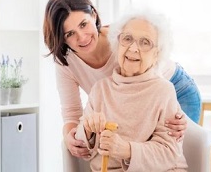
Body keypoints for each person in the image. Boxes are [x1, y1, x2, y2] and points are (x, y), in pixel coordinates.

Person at [43, 0, 200, 165]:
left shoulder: (123, 40)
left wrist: (177, 115)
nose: (82, 37)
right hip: (137, 98)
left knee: (170, 157)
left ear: (93, 15)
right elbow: (72, 113)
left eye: (83, 24)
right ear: (61, 39)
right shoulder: (70, 65)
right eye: (69, 34)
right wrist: (74, 136)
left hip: (173, 85)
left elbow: (152, 88)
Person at [75, 9, 188, 171]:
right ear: (117, 44)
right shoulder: (100, 89)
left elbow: (168, 153)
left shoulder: (163, 91)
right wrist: (87, 128)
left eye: (145, 42)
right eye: (127, 39)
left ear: (157, 54)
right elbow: (81, 143)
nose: (134, 49)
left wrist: (126, 150)